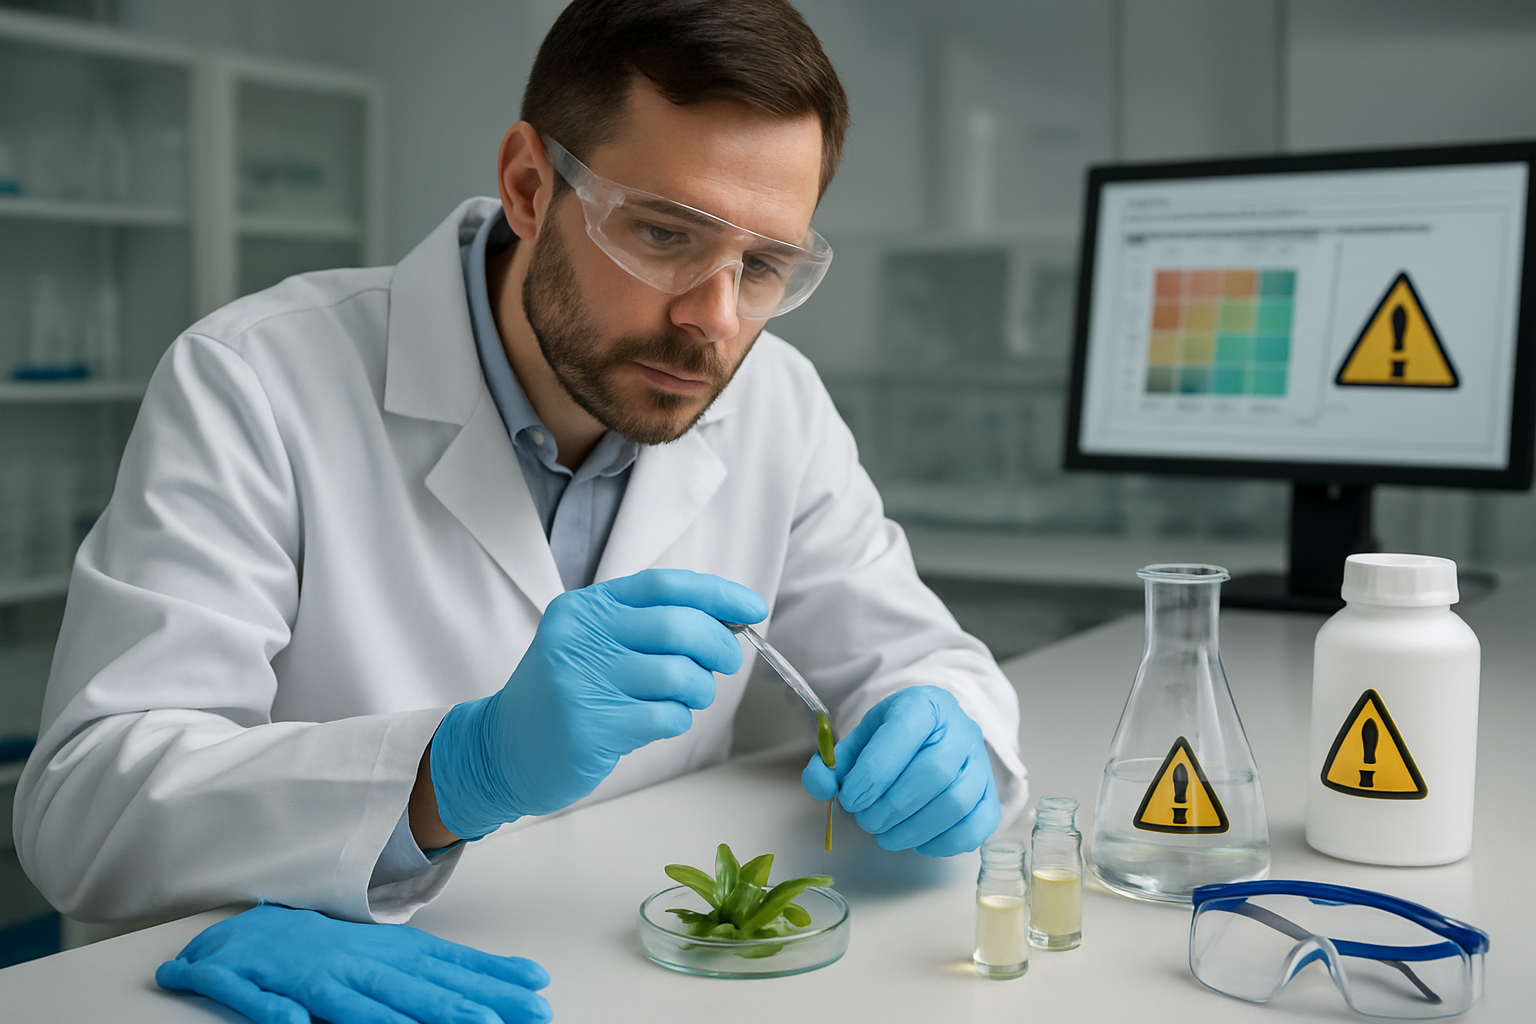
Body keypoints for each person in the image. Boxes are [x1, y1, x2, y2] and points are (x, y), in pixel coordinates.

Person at [14, 1, 1027, 1020]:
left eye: (763, 265)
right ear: (529, 186)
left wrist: (947, 732)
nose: (713, 320)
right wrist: (455, 772)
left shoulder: (778, 402)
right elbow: (83, 806)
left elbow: (914, 656)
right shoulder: (254, 380)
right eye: (665, 234)